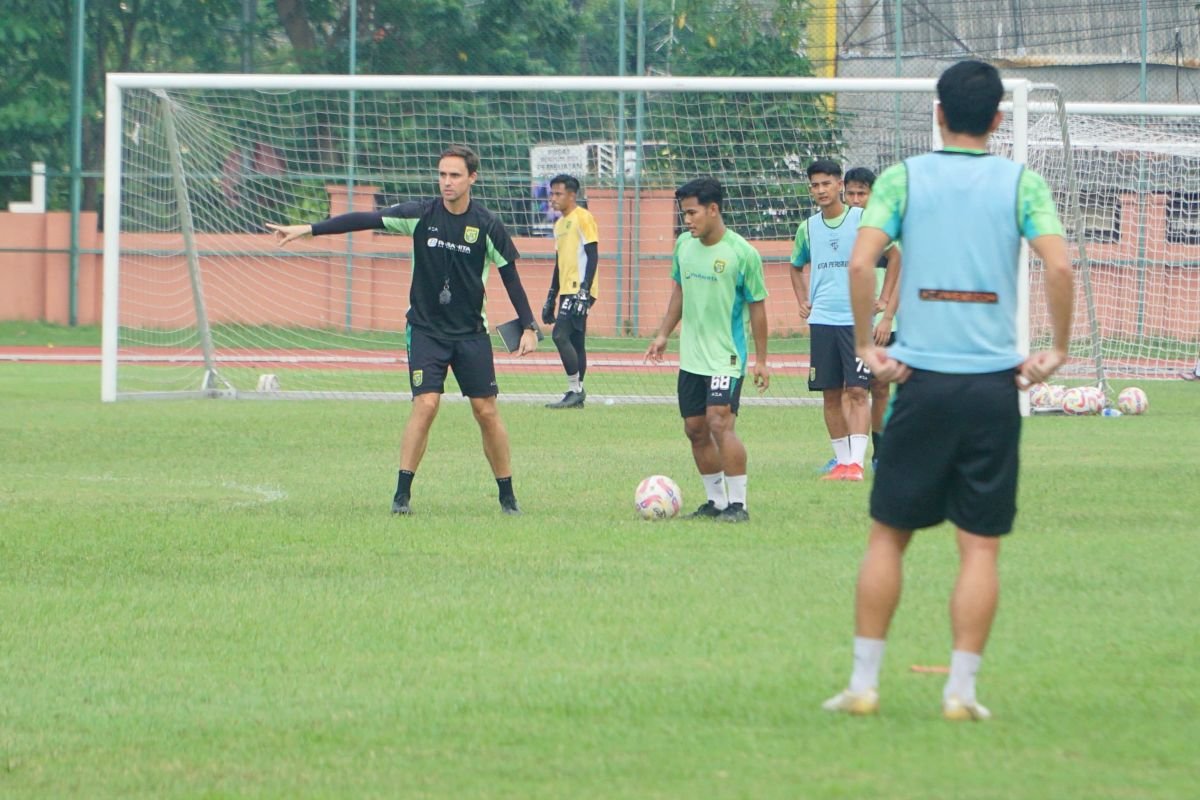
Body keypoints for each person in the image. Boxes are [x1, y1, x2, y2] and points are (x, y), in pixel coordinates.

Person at [823, 60, 1074, 721]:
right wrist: (1058, 349)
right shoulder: (1023, 183)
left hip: (922, 382)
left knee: (887, 538)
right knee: (979, 546)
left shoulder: (903, 179)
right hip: (995, 386)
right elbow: (1060, 263)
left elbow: (859, 261)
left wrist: (868, 346)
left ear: (937, 112)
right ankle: (960, 693)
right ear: (997, 120)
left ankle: (864, 685)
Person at [266, 144, 540, 516]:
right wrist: (309, 229)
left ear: (472, 178)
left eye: (455, 175)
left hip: (471, 333)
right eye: (442, 174)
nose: (447, 182)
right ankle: (401, 496)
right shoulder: (420, 215)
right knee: (426, 404)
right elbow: (365, 219)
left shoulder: (488, 225)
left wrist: (528, 326)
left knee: (485, 410)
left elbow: (510, 276)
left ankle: (508, 497)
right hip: (425, 330)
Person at [644, 177, 770, 523]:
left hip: (726, 359)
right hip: (692, 358)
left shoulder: (742, 253)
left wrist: (761, 360)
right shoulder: (684, 245)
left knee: (719, 422)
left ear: (713, 209)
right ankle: (715, 503)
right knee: (695, 428)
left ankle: (738, 505)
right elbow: (679, 293)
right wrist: (663, 334)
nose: (687, 221)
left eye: (692, 213)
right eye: (683, 214)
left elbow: (758, 308)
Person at [791, 159, 871, 482]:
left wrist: (884, 303)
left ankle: (857, 464)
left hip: (856, 320)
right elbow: (795, 265)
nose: (821, 190)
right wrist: (802, 300)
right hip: (822, 320)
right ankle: (842, 463)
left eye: (826, 183)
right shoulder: (807, 228)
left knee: (858, 391)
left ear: (840, 184)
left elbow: (894, 255)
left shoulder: (862, 219)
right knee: (829, 393)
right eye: (815, 185)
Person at [844, 167, 901, 470]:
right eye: (850, 193)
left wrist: (887, 314)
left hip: (881, 324)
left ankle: (881, 453)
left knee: (878, 387)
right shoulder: (843, 227)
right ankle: (847, 457)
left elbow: (901, 267)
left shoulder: (884, 228)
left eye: (861, 194)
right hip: (848, 321)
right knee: (850, 388)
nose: (855, 200)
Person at [541, 174, 600, 409]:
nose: (553, 198)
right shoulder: (558, 225)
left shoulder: (583, 218)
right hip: (567, 289)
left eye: (558, 194)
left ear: (572, 195)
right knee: (576, 341)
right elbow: (559, 263)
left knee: (559, 335)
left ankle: (575, 390)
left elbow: (593, 254)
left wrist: (585, 289)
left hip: (580, 289)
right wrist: (550, 297)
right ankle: (577, 394)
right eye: (551, 194)